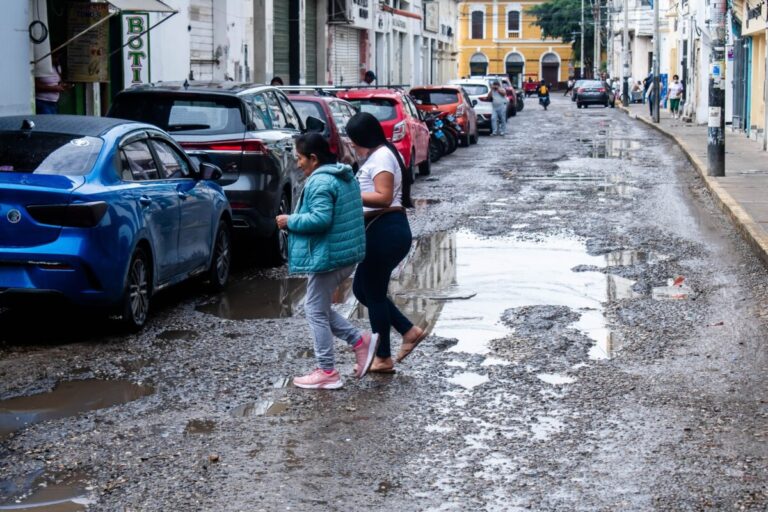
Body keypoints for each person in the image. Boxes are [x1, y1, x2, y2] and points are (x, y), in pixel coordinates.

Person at [276, 133, 377, 389]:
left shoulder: (320, 182)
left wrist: (289, 221)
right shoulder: (344, 175)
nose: (298, 164)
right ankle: (358, 341)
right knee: (317, 307)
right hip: (343, 254)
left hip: (329, 256)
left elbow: (320, 219)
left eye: (300, 158)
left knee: (314, 310)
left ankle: (327, 371)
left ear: (314, 158)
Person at [345, 112, 426, 373]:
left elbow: (384, 196)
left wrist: (349, 197)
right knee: (362, 290)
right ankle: (408, 330)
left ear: (362, 137)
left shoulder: (380, 156)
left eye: (353, 140)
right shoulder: (380, 154)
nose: (352, 145)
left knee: (375, 294)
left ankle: (383, 357)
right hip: (382, 231)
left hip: (385, 231)